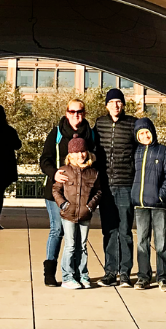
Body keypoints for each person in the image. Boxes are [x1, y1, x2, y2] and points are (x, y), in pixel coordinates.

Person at [39, 99, 97, 287]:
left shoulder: (90, 134)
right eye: (72, 111)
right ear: (67, 113)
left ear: (84, 113)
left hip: (80, 194)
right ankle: (50, 271)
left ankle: (75, 274)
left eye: (79, 111)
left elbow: (95, 162)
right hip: (57, 192)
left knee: (77, 238)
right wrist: (53, 173)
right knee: (58, 230)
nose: (76, 115)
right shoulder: (56, 133)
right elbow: (44, 160)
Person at [94, 88, 137, 287]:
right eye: (112, 102)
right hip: (106, 186)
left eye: (119, 102)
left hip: (126, 184)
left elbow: (143, 149)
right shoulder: (100, 124)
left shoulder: (132, 124)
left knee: (125, 230)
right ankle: (110, 271)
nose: (116, 105)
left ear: (123, 104)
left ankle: (126, 272)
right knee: (109, 230)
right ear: (107, 105)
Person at [131, 118, 166, 291]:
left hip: (158, 204)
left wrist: (162, 195)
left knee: (161, 241)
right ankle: (143, 277)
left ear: (152, 132)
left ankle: (163, 277)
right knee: (142, 241)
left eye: (146, 132)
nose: (144, 136)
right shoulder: (136, 152)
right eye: (141, 134)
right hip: (140, 204)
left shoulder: (163, 151)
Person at [52, 136, 102, 289]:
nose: (80, 155)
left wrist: (90, 206)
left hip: (85, 214)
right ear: (70, 154)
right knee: (70, 245)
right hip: (68, 214)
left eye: (82, 151)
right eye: (76, 152)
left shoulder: (93, 172)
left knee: (82, 245)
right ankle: (67, 277)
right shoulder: (64, 171)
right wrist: (63, 205)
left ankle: (83, 275)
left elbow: (98, 191)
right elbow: (56, 190)